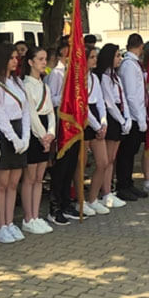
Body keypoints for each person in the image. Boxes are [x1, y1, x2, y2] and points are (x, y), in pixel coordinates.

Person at [0, 43, 30, 244]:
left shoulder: (18, 82)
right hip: (4, 134)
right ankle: (1, 225)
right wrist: (13, 137)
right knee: (2, 183)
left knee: (14, 183)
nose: (15, 61)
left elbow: (26, 110)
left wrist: (25, 137)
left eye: (17, 58)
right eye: (12, 58)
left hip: (20, 131)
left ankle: (10, 221)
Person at [45, 36, 82, 225]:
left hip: (74, 125)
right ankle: (55, 206)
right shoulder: (57, 74)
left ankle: (67, 202)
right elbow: (51, 99)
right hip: (61, 125)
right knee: (60, 168)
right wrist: (68, 100)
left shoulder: (74, 72)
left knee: (70, 167)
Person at [20, 46, 55, 235]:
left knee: (39, 178)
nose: (44, 62)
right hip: (34, 133)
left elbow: (50, 112)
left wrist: (51, 133)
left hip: (45, 133)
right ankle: (28, 217)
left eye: (45, 59)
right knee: (30, 178)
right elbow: (32, 114)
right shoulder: (26, 85)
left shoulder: (45, 86)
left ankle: (36, 215)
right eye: (40, 59)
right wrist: (43, 136)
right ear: (30, 62)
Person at [95, 44, 132, 205]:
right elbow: (109, 102)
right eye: (117, 56)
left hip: (120, 114)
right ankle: (105, 192)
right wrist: (121, 120)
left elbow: (123, 98)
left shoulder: (115, 76)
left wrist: (127, 117)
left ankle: (109, 189)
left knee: (112, 158)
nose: (119, 59)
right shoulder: (104, 77)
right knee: (108, 159)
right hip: (112, 117)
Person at [116, 34, 149, 199]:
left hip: (138, 113)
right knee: (126, 152)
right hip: (132, 115)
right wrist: (139, 117)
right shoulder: (129, 65)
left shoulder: (135, 64)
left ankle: (128, 183)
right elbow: (130, 94)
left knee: (131, 152)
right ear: (141, 46)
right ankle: (123, 185)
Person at [81, 45, 111, 214]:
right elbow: (82, 105)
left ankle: (93, 198)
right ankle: (81, 201)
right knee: (81, 165)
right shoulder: (78, 79)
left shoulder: (94, 78)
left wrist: (103, 122)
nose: (95, 60)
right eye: (91, 57)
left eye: (95, 57)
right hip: (85, 121)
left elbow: (100, 101)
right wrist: (96, 125)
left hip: (97, 119)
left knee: (103, 162)